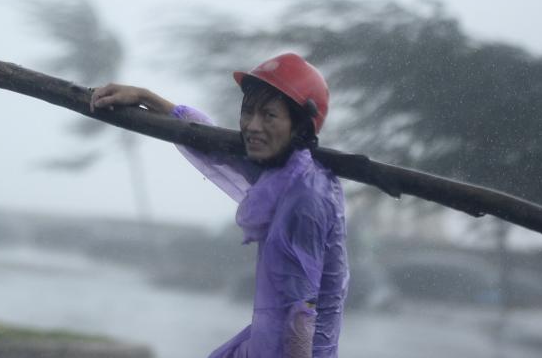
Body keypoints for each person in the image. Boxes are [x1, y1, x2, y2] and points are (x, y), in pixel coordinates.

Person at [90, 53, 349, 358]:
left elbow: (301, 311)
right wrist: (147, 97)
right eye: (248, 112)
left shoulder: (307, 198)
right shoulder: (284, 173)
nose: (252, 126)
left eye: (269, 116)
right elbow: (211, 144)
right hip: (268, 340)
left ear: (300, 126)